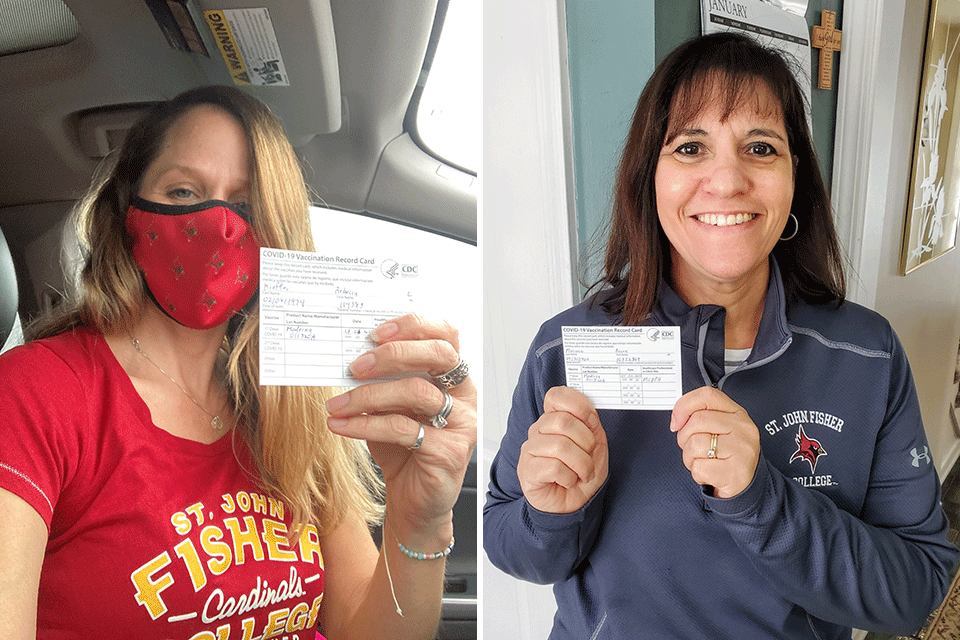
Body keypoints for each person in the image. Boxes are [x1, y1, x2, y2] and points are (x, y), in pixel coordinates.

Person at [483, 32, 958, 640]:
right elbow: (510, 544)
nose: (727, 181)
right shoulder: (567, 347)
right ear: (649, 181)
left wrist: (764, 502)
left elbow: (917, 590)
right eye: (689, 147)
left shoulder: (868, 355)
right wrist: (552, 514)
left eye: (760, 147)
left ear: (795, 184)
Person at [0, 86, 477, 640]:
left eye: (246, 206)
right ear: (127, 213)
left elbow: (366, 631)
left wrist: (420, 517)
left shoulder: (287, 407)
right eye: (183, 191)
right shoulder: (35, 393)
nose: (220, 225)